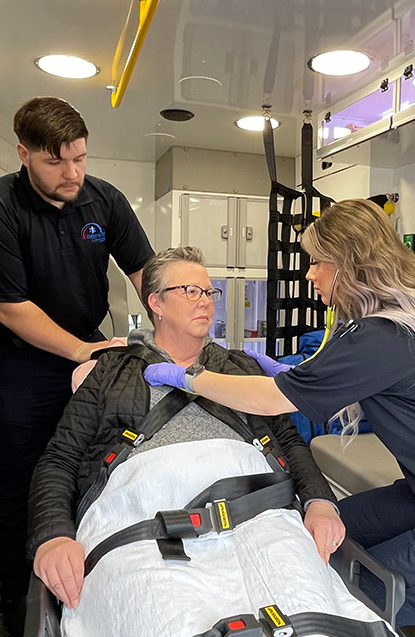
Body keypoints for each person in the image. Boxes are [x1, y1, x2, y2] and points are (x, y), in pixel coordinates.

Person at [144, 199, 415, 627]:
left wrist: (187, 375)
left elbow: (268, 401)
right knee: (313, 534)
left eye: (317, 262)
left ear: (348, 263)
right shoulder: (404, 320)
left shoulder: (382, 334)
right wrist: (295, 375)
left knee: (338, 592)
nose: (310, 274)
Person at [28, 246, 345, 610]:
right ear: (156, 303)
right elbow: (60, 459)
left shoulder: (241, 368)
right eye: (190, 291)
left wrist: (320, 502)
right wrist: (52, 536)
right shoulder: (110, 371)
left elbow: (289, 440)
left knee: (312, 611)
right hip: (147, 524)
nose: (206, 302)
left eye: (210, 292)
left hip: (256, 513)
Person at [0, 96, 153, 635]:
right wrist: (81, 352)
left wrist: (170, 326)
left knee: (94, 463)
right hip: (25, 362)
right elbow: (9, 307)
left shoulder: (103, 202)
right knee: (25, 476)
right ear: (24, 154)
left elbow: (144, 270)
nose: (72, 173)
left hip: (86, 346)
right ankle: (16, 602)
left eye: (81, 159)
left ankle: (81, 582)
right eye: (56, 163)